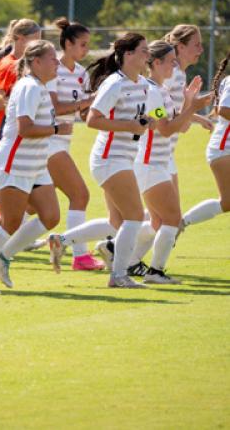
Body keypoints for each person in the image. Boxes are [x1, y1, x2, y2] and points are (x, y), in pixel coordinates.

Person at [0, 40, 67, 294]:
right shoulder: (29, 87)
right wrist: (56, 129)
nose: (57, 62)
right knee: (9, 222)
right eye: (52, 58)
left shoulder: (39, 86)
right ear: (36, 62)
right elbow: (25, 128)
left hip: (34, 164)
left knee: (51, 216)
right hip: (14, 162)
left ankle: (3, 256)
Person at [51, 33, 152, 288]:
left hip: (122, 157)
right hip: (110, 157)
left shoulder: (142, 84)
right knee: (135, 217)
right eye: (143, 50)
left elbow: (153, 113)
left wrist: (161, 115)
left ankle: (62, 241)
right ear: (128, 55)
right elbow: (92, 119)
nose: (147, 55)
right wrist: (128, 125)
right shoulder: (114, 84)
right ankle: (118, 276)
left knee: (117, 222)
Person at [134, 40, 208, 284]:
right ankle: (154, 272)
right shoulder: (153, 92)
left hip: (157, 163)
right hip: (150, 164)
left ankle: (128, 261)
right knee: (172, 219)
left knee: (158, 221)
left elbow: (181, 127)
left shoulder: (160, 90)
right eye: (170, 61)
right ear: (156, 63)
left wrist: (188, 101)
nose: (175, 66)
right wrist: (192, 106)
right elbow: (164, 130)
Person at [45, 17, 103, 271]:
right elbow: (55, 108)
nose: (86, 50)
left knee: (30, 207)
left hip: (62, 142)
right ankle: (80, 256)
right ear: (67, 43)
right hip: (47, 141)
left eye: (88, 45)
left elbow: (81, 112)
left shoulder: (80, 74)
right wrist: (90, 100)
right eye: (81, 44)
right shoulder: (51, 69)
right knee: (80, 194)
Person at [180, 52, 230, 233]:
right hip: (224, 148)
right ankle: (179, 223)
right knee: (227, 202)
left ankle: (179, 224)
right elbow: (224, 109)